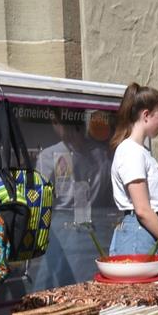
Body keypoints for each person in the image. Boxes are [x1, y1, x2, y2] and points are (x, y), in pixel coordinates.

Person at [33, 110, 114, 288]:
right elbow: (41, 198)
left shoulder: (101, 154)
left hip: (94, 227)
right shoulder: (49, 155)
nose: (71, 130)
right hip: (62, 229)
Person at [109, 83, 158, 262]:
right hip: (139, 234)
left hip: (147, 232)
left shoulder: (140, 151)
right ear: (146, 115)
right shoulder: (131, 151)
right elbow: (142, 209)